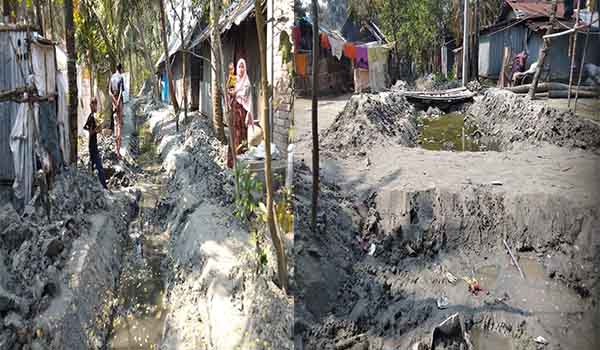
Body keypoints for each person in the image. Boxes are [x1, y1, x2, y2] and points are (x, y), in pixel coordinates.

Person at [227, 58, 254, 168]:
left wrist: (249, 113)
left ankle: (242, 164)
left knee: (242, 136)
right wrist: (235, 91)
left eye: (243, 66)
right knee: (234, 135)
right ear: (237, 68)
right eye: (239, 66)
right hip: (234, 110)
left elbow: (249, 99)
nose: (241, 69)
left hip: (243, 111)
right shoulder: (233, 79)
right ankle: (232, 162)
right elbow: (229, 92)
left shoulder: (247, 81)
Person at [84, 98, 108, 189]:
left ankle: (95, 186)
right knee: (99, 167)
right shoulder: (91, 117)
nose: (96, 107)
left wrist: (96, 130)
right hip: (93, 145)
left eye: (96, 104)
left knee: (94, 166)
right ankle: (104, 187)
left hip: (92, 144)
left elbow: (85, 128)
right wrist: (97, 129)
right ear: (92, 105)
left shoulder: (91, 116)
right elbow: (90, 132)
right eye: (95, 105)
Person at [109, 63, 125, 159]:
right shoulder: (120, 77)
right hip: (119, 103)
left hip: (113, 103)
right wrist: (118, 102)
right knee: (120, 125)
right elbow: (120, 92)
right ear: (121, 69)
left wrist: (114, 102)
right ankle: (118, 153)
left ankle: (116, 150)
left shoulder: (112, 78)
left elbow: (109, 92)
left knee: (115, 125)